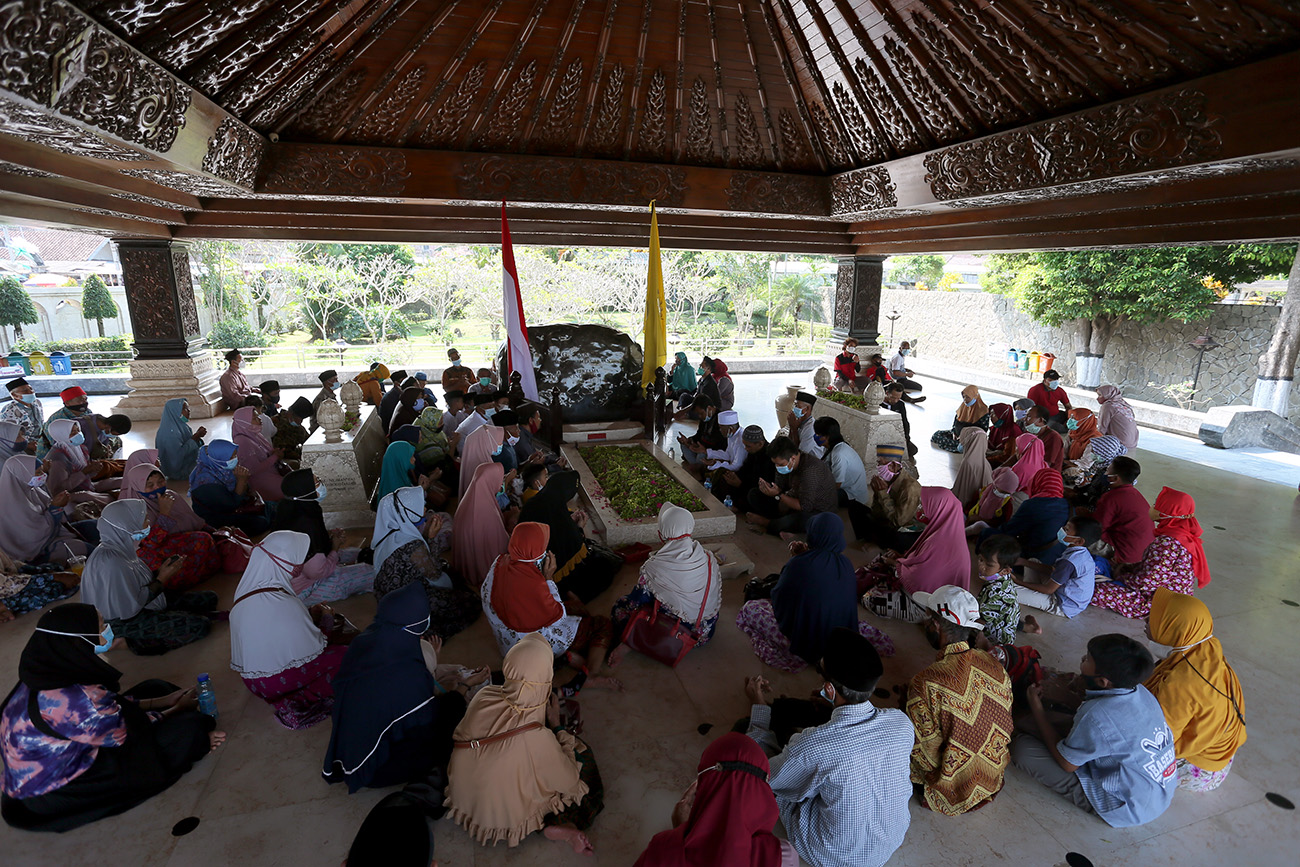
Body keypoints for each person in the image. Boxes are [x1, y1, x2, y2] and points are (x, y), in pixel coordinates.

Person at [0, 603, 222, 832]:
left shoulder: (43, 670)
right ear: (80, 639)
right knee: (189, 729)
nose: (107, 629)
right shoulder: (75, 697)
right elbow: (125, 733)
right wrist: (177, 709)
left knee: (154, 688)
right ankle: (191, 735)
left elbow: (111, 706)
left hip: (57, 756)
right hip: (56, 789)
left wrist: (163, 701)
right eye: (100, 626)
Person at [745, 628, 913, 867]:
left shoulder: (815, 745)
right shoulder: (902, 724)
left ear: (830, 689)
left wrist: (759, 706)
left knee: (758, 760)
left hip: (833, 854)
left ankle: (759, 712)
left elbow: (767, 778)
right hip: (887, 842)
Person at [445, 632, 604, 853]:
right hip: (498, 815)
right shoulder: (537, 737)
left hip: (464, 794)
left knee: (517, 760)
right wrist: (557, 726)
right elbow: (568, 780)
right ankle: (557, 824)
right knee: (581, 760)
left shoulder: (485, 696)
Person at [1012, 634, 1177, 827]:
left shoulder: (1097, 714)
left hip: (1125, 806)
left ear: (1102, 682)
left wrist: (1037, 708)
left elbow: (1067, 764)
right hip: (1154, 793)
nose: (1082, 659)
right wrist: (1066, 697)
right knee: (1050, 723)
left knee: (1022, 749)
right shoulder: (1141, 692)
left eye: (1088, 658)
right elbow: (1107, 724)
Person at [322, 582, 470, 793]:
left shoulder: (362, 642)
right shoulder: (410, 675)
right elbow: (427, 721)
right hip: (376, 769)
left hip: (348, 750)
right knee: (452, 715)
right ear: (418, 625)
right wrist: (460, 689)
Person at [737, 513, 894, 673]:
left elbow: (780, 599)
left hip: (808, 646)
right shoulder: (846, 563)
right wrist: (801, 559)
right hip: (840, 641)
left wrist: (797, 560)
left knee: (751, 608)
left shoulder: (799, 564)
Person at [906, 585, 1014, 815]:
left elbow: (925, 752)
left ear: (935, 625)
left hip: (952, 788)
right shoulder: (993, 664)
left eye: (928, 620)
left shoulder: (925, 682)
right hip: (991, 777)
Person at [230, 531, 349, 729]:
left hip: (253, 684)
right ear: (283, 562)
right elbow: (318, 646)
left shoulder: (242, 594)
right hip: (276, 684)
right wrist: (327, 618)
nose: (300, 565)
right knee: (345, 655)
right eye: (297, 560)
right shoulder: (283, 601)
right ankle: (299, 699)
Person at [634, 733, 793, 867]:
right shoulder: (781, 856)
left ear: (702, 785)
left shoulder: (662, 849)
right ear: (762, 794)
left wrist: (681, 831)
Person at [80, 500, 217, 655]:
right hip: (122, 621)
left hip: (140, 605)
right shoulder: (112, 562)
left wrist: (161, 571)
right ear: (126, 525)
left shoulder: (121, 547)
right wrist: (161, 579)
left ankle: (162, 622)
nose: (148, 522)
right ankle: (130, 642)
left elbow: (134, 586)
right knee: (200, 626)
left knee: (209, 599)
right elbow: (131, 607)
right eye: (144, 519)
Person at [1144, 588, 1246, 792]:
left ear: (1175, 629)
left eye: (1155, 619)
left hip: (1199, 768)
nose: (1146, 621)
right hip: (1219, 757)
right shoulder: (1205, 650)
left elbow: (1158, 740)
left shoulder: (1183, 682)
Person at [482, 522, 614, 676]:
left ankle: (569, 653)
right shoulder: (535, 585)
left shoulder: (499, 563)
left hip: (509, 643)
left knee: (576, 607)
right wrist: (548, 579)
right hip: (534, 646)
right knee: (601, 624)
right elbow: (558, 618)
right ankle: (590, 672)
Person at [609, 504, 721, 663]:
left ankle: (633, 642)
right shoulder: (706, 557)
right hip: (703, 634)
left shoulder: (653, 567)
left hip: (674, 634)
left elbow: (636, 602)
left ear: (661, 535)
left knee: (620, 607)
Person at [1092, 486, 1205, 618]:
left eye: (1158, 504)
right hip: (1170, 599)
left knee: (1095, 590)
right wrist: (1130, 568)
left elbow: (1148, 582)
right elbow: (1155, 570)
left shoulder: (1167, 543)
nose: (1153, 507)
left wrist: (1122, 576)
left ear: (1168, 511)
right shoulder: (1181, 535)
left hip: (1159, 603)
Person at [372, 486, 472, 633]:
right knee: (467, 601)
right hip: (405, 604)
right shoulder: (412, 546)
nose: (425, 509)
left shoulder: (390, 531)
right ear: (408, 512)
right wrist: (432, 539)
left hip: (387, 599)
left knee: (453, 576)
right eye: (420, 506)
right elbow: (435, 573)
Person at [271, 469, 374, 606]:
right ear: (304, 490)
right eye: (317, 482)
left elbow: (316, 547)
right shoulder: (306, 524)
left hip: (304, 573)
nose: (321, 485)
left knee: (356, 553)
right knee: (370, 572)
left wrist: (329, 536)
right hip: (307, 588)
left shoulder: (292, 509)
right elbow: (316, 572)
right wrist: (335, 547)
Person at [518, 471, 620, 604]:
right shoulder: (558, 512)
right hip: (553, 574)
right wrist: (579, 528)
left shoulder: (533, 503)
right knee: (604, 567)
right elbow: (573, 544)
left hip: (527, 570)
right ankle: (572, 597)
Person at [119, 463, 219, 592]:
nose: (158, 487)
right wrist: (164, 513)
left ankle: (196, 576)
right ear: (137, 487)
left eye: (161, 481)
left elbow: (192, 519)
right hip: (152, 551)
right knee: (158, 564)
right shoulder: (134, 510)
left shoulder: (171, 496)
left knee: (205, 539)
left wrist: (214, 531)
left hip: (174, 542)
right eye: (150, 485)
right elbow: (148, 545)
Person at [0, 455, 94, 566]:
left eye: (42, 472)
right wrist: (55, 508)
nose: (42, 476)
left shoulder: (29, 489)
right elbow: (32, 537)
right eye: (38, 473)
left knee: (95, 527)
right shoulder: (10, 503)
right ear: (23, 475)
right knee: (88, 550)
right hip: (36, 552)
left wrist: (55, 505)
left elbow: (46, 498)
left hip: (52, 534)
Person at [746, 436, 837, 536]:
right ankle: (776, 521)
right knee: (753, 494)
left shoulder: (810, 470)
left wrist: (779, 495)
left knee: (797, 521)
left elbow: (805, 507)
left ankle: (768, 523)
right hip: (791, 499)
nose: (777, 467)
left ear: (792, 458)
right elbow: (780, 486)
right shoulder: (786, 464)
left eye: (780, 464)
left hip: (815, 511)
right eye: (775, 464)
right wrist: (770, 489)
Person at [1015, 516, 1101, 618]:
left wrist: (1018, 581)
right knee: (1032, 562)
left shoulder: (1070, 561)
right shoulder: (1080, 552)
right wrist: (1022, 562)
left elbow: (1048, 589)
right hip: (1063, 593)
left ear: (1079, 541)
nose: (1062, 530)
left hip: (1061, 605)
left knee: (1011, 591)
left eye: (1067, 530)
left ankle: (1029, 591)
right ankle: (1031, 592)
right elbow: (1054, 570)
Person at [981, 468, 1070, 567]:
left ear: (1037, 482)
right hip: (1057, 558)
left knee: (987, 533)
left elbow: (1010, 530)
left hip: (1033, 559)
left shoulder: (1033, 504)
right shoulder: (1066, 505)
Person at [187, 440, 272, 536]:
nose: (235, 459)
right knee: (261, 522)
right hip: (216, 516)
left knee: (269, 506)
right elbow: (232, 505)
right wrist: (241, 480)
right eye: (232, 457)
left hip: (230, 506)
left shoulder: (219, 466)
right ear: (219, 458)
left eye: (235, 456)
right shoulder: (206, 482)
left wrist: (242, 481)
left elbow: (245, 490)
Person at [452, 462, 512, 589]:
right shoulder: (487, 511)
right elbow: (501, 544)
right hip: (482, 567)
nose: (501, 484)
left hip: (467, 562)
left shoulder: (469, 498)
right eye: (500, 480)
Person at [1092, 456, 1154, 567]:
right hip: (1143, 555)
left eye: (1107, 471)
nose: (1105, 474)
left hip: (1124, 556)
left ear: (1115, 478)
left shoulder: (1111, 498)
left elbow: (1097, 528)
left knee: (1080, 534)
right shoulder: (1135, 494)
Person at [43, 418, 115, 506]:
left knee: (115, 481)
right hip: (66, 495)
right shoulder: (57, 459)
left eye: (78, 430)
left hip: (83, 484)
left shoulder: (79, 448)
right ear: (62, 434)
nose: (78, 434)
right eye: (73, 433)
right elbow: (58, 490)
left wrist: (93, 469)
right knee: (88, 496)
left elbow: (87, 474)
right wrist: (84, 472)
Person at [864, 444, 921, 548]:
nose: (878, 467)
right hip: (890, 522)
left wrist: (883, 494)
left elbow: (898, 521)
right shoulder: (889, 480)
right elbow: (877, 512)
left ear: (893, 466)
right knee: (858, 511)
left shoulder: (910, 488)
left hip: (906, 529)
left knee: (896, 538)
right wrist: (877, 494)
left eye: (880, 464)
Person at [711, 424, 774, 511]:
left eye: (748, 446)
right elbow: (745, 468)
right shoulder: (753, 452)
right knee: (723, 475)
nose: (746, 449)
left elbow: (763, 483)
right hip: (745, 484)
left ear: (760, 444)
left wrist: (740, 484)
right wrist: (734, 476)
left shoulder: (770, 457)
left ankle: (738, 507)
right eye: (744, 445)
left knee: (752, 495)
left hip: (758, 490)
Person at [232, 405, 286, 503]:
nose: (259, 420)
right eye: (255, 418)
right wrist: (275, 457)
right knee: (292, 488)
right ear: (244, 422)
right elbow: (251, 470)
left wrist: (274, 453)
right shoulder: (242, 442)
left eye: (258, 416)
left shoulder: (254, 434)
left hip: (270, 473)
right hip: (261, 481)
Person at [155, 398, 205, 481]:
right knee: (210, 465)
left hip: (186, 462)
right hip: (177, 470)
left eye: (188, 408)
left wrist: (197, 438)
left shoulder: (182, 426)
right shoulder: (170, 432)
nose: (188, 411)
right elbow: (176, 457)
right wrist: (195, 438)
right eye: (185, 409)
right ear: (175, 411)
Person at [458, 423, 506, 502]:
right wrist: (507, 480)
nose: (500, 445)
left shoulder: (470, 461)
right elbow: (492, 496)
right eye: (498, 442)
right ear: (486, 442)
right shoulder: (485, 468)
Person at [950, 426, 992, 508]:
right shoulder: (985, 462)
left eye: (962, 440)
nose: (961, 443)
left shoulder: (968, 462)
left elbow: (961, 490)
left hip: (969, 506)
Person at [1022, 405, 1066, 472]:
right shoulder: (1029, 433)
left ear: (1040, 420)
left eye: (1029, 416)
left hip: (1046, 475)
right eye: (1026, 416)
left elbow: (1046, 464)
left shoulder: (1053, 437)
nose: (1024, 419)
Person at [1096, 384, 1139, 450]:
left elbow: (1102, 428)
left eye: (1100, 395)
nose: (1097, 398)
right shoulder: (1122, 403)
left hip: (1120, 444)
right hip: (1132, 443)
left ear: (1107, 395)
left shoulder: (1108, 406)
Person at [271, 397, 314, 463]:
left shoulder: (299, 428)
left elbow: (309, 443)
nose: (300, 422)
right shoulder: (275, 423)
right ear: (291, 413)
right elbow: (281, 449)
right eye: (300, 419)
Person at [1, 376, 43, 442]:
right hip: (22, 444)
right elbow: (9, 436)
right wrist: (27, 445)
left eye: (31, 389)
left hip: (39, 440)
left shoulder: (36, 403)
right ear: (15, 395)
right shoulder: (9, 410)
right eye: (25, 391)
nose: (31, 392)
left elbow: (40, 423)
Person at [785, 391, 823, 458]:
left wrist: (794, 429)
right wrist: (791, 427)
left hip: (812, 462)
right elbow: (789, 444)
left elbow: (798, 452)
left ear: (807, 409)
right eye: (795, 405)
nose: (794, 408)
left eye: (797, 406)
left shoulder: (811, 428)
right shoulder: (799, 422)